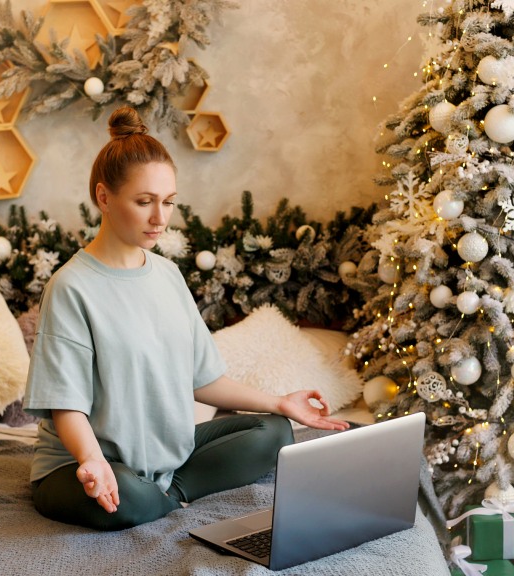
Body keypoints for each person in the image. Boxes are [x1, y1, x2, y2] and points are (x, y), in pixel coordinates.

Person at [23, 106, 349, 531]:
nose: (160, 218)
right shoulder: (71, 287)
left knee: (274, 433)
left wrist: (280, 401)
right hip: (86, 466)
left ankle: (169, 494)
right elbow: (65, 405)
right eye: (144, 202)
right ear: (104, 197)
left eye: (168, 202)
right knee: (124, 497)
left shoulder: (168, 275)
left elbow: (203, 380)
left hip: (165, 458)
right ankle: (157, 496)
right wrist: (91, 460)